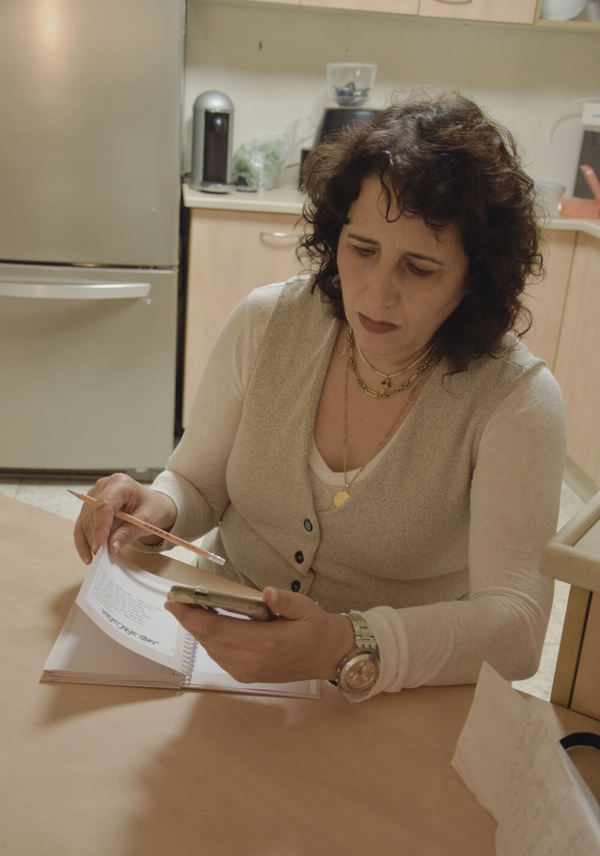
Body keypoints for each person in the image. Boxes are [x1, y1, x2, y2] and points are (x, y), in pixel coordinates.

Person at [75, 91, 566, 701]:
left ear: (475, 278)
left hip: (395, 696)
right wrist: (156, 506)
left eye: (419, 268)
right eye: (362, 250)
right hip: (217, 661)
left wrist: (347, 643)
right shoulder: (266, 323)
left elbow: (516, 627)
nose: (376, 294)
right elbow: (197, 483)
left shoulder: (516, 400)